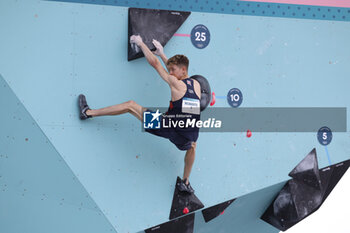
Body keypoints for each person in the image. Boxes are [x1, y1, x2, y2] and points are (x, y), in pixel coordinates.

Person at [78, 35, 201, 193]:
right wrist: (162, 53)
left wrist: (140, 43)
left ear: (182, 70)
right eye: (170, 69)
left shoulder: (176, 84)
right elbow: (171, 70)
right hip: (190, 133)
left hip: (168, 127)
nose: (170, 72)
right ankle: (186, 182)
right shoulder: (195, 84)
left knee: (130, 106)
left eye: (173, 69)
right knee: (192, 146)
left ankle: (87, 112)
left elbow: (155, 64)